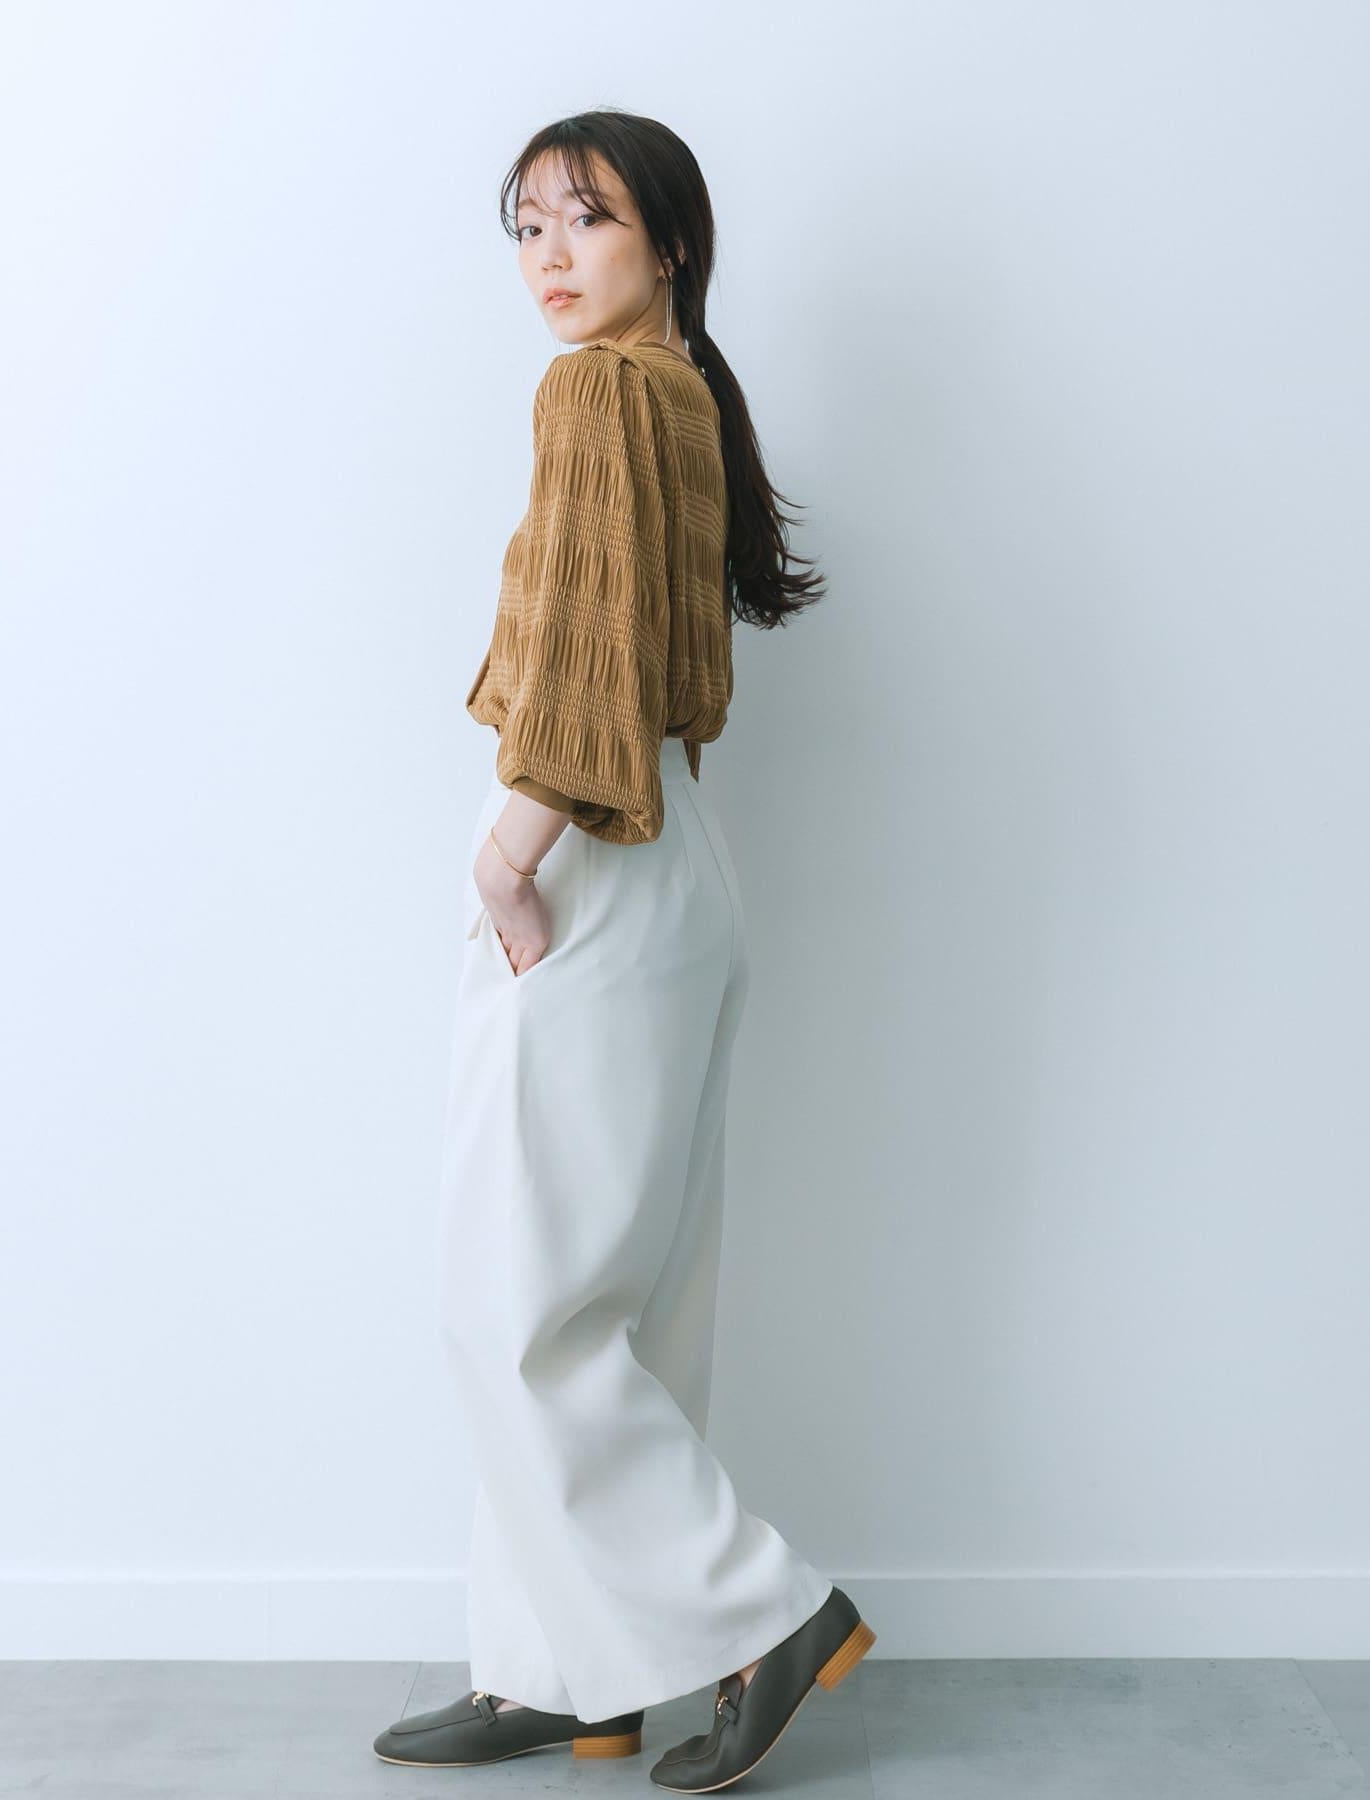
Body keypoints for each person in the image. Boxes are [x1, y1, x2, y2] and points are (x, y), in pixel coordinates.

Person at [373, 109, 874, 1792]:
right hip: (677, 870)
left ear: (669, 239)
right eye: (526, 226)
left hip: (587, 850)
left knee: (514, 1306)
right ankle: (568, 1669)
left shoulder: (596, 391)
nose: (549, 257)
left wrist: (509, 860)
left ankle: (764, 1614)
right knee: (629, 1305)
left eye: (585, 220)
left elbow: (589, 665)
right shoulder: (685, 394)